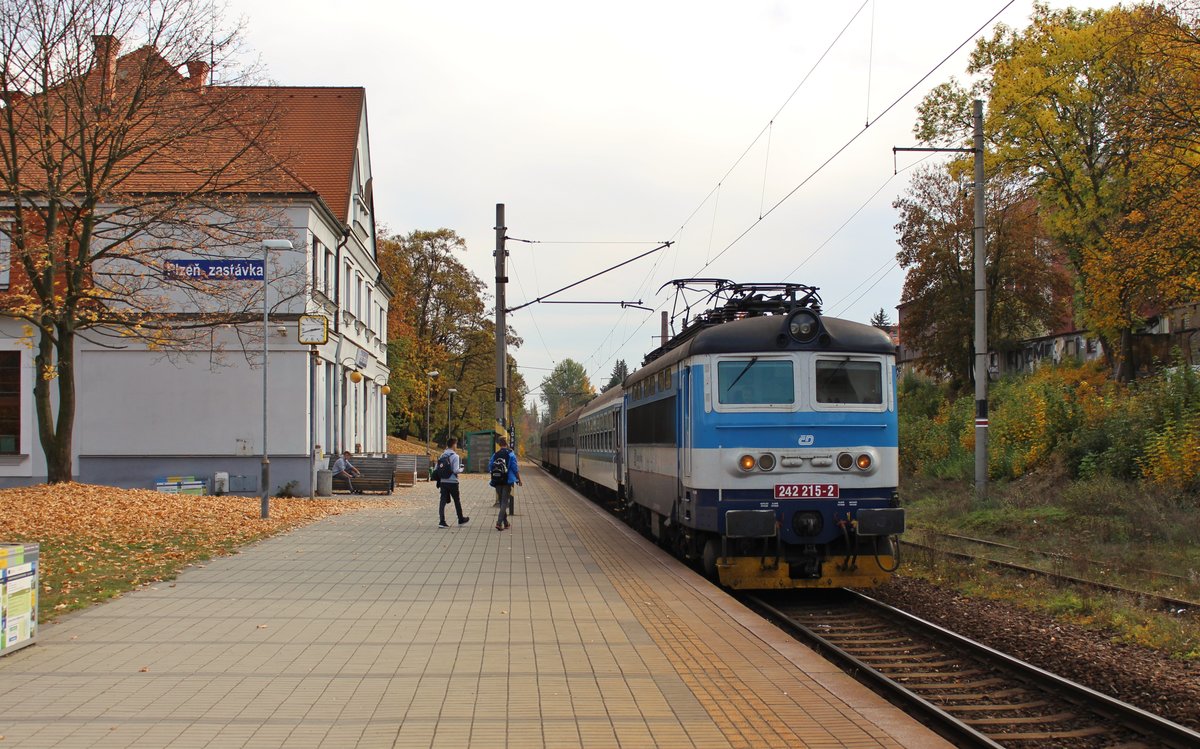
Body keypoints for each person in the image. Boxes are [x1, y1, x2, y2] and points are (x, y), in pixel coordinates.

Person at [436, 437, 469, 528]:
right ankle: (460, 518)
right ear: (454, 445)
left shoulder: (442, 455)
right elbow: (455, 470)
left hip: (443, 481)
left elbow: (436, 468)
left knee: (442, 501)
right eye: (456, 444)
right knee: (456, 501)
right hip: (453, 482)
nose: (456, 446)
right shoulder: (455, 456)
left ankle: (442, 521)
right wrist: (461, 469)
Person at [490, 437, 521, 531]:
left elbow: (490, 466)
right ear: (506, 443)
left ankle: (506, 523)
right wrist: (518, 479)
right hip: (507, 481)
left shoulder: (495, 455)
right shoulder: (511, 454)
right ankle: (499, 523)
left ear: (499, 444)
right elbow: (515, 468)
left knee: (501, 502)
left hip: (497, 480)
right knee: (504, 502)